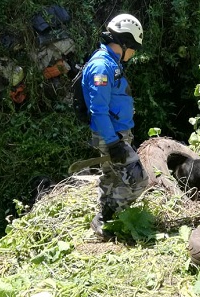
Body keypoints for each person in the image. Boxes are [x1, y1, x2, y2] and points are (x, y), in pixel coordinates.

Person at [81, 13, 148, 240]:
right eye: (134, 48)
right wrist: (112, 142)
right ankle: (109, 217)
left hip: (115, 134)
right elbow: (98, 109)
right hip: (111, 136)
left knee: (111, 176)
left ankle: (102, 222)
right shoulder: (102, 66)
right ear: (125, 42)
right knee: (139, 181)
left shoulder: (110, 63)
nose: (134, 53)